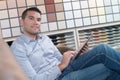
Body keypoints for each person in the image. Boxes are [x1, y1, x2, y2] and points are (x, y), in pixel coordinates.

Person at [10, 7, 120, 80]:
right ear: (22, 21)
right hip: (58, 78)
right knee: (106, 68)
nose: (36, 22)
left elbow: (60, 58)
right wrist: (61, 66)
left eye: (38, 19)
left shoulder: (45, 38)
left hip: (67, 68)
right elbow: (34, 79)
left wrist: (76, 55)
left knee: (102, 49)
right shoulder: (18, 48)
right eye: (31, 18)